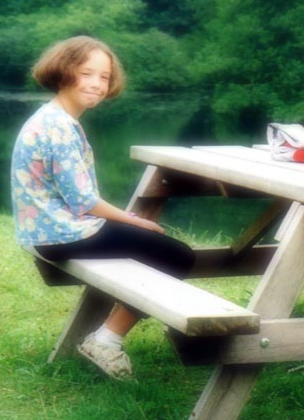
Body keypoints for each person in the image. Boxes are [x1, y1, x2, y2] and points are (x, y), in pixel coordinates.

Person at [10, 36, 195, 380]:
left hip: (49, 231)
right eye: (87, 73)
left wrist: (129, 225)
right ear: (64, 73)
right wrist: (133, 221)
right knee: (177, 256)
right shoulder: (60, 127)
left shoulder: (51, 117)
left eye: (104, 77)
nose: (96, 84)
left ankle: (109, 335)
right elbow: (83, 201)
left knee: (154, 249)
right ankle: (106, 340)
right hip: (63, 234)